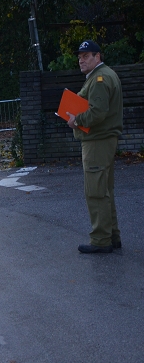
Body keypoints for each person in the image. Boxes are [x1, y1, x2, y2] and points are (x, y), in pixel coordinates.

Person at [66, 40, 123, 254]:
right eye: (79, 56)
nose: (81, 60)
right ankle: (112, 236)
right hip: (104, 139)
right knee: (105, 190)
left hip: (97, 141)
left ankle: (101, 240)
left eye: (86, 56)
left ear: (97, 56)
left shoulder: (99, 78)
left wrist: (77, 120)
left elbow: (98, 112)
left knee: (96, 191)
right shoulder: (105, 75)